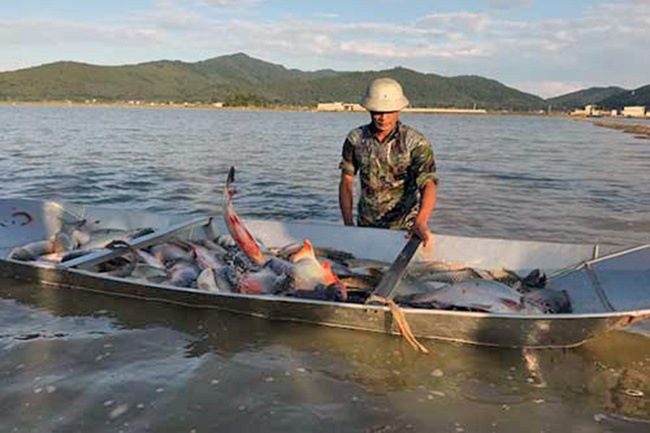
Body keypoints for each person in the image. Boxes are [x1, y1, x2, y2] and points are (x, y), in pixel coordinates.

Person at [338, 77, 438, 245]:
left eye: (389, 111)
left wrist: (421, 222)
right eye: (377, 111)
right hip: (365, 226)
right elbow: (346, 181)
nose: (383, 118)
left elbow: (429, 183)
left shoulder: (415, 142)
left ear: (399, 109)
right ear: (368, 109)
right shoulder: (355, 139)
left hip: (405, 229)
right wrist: (348, 224)